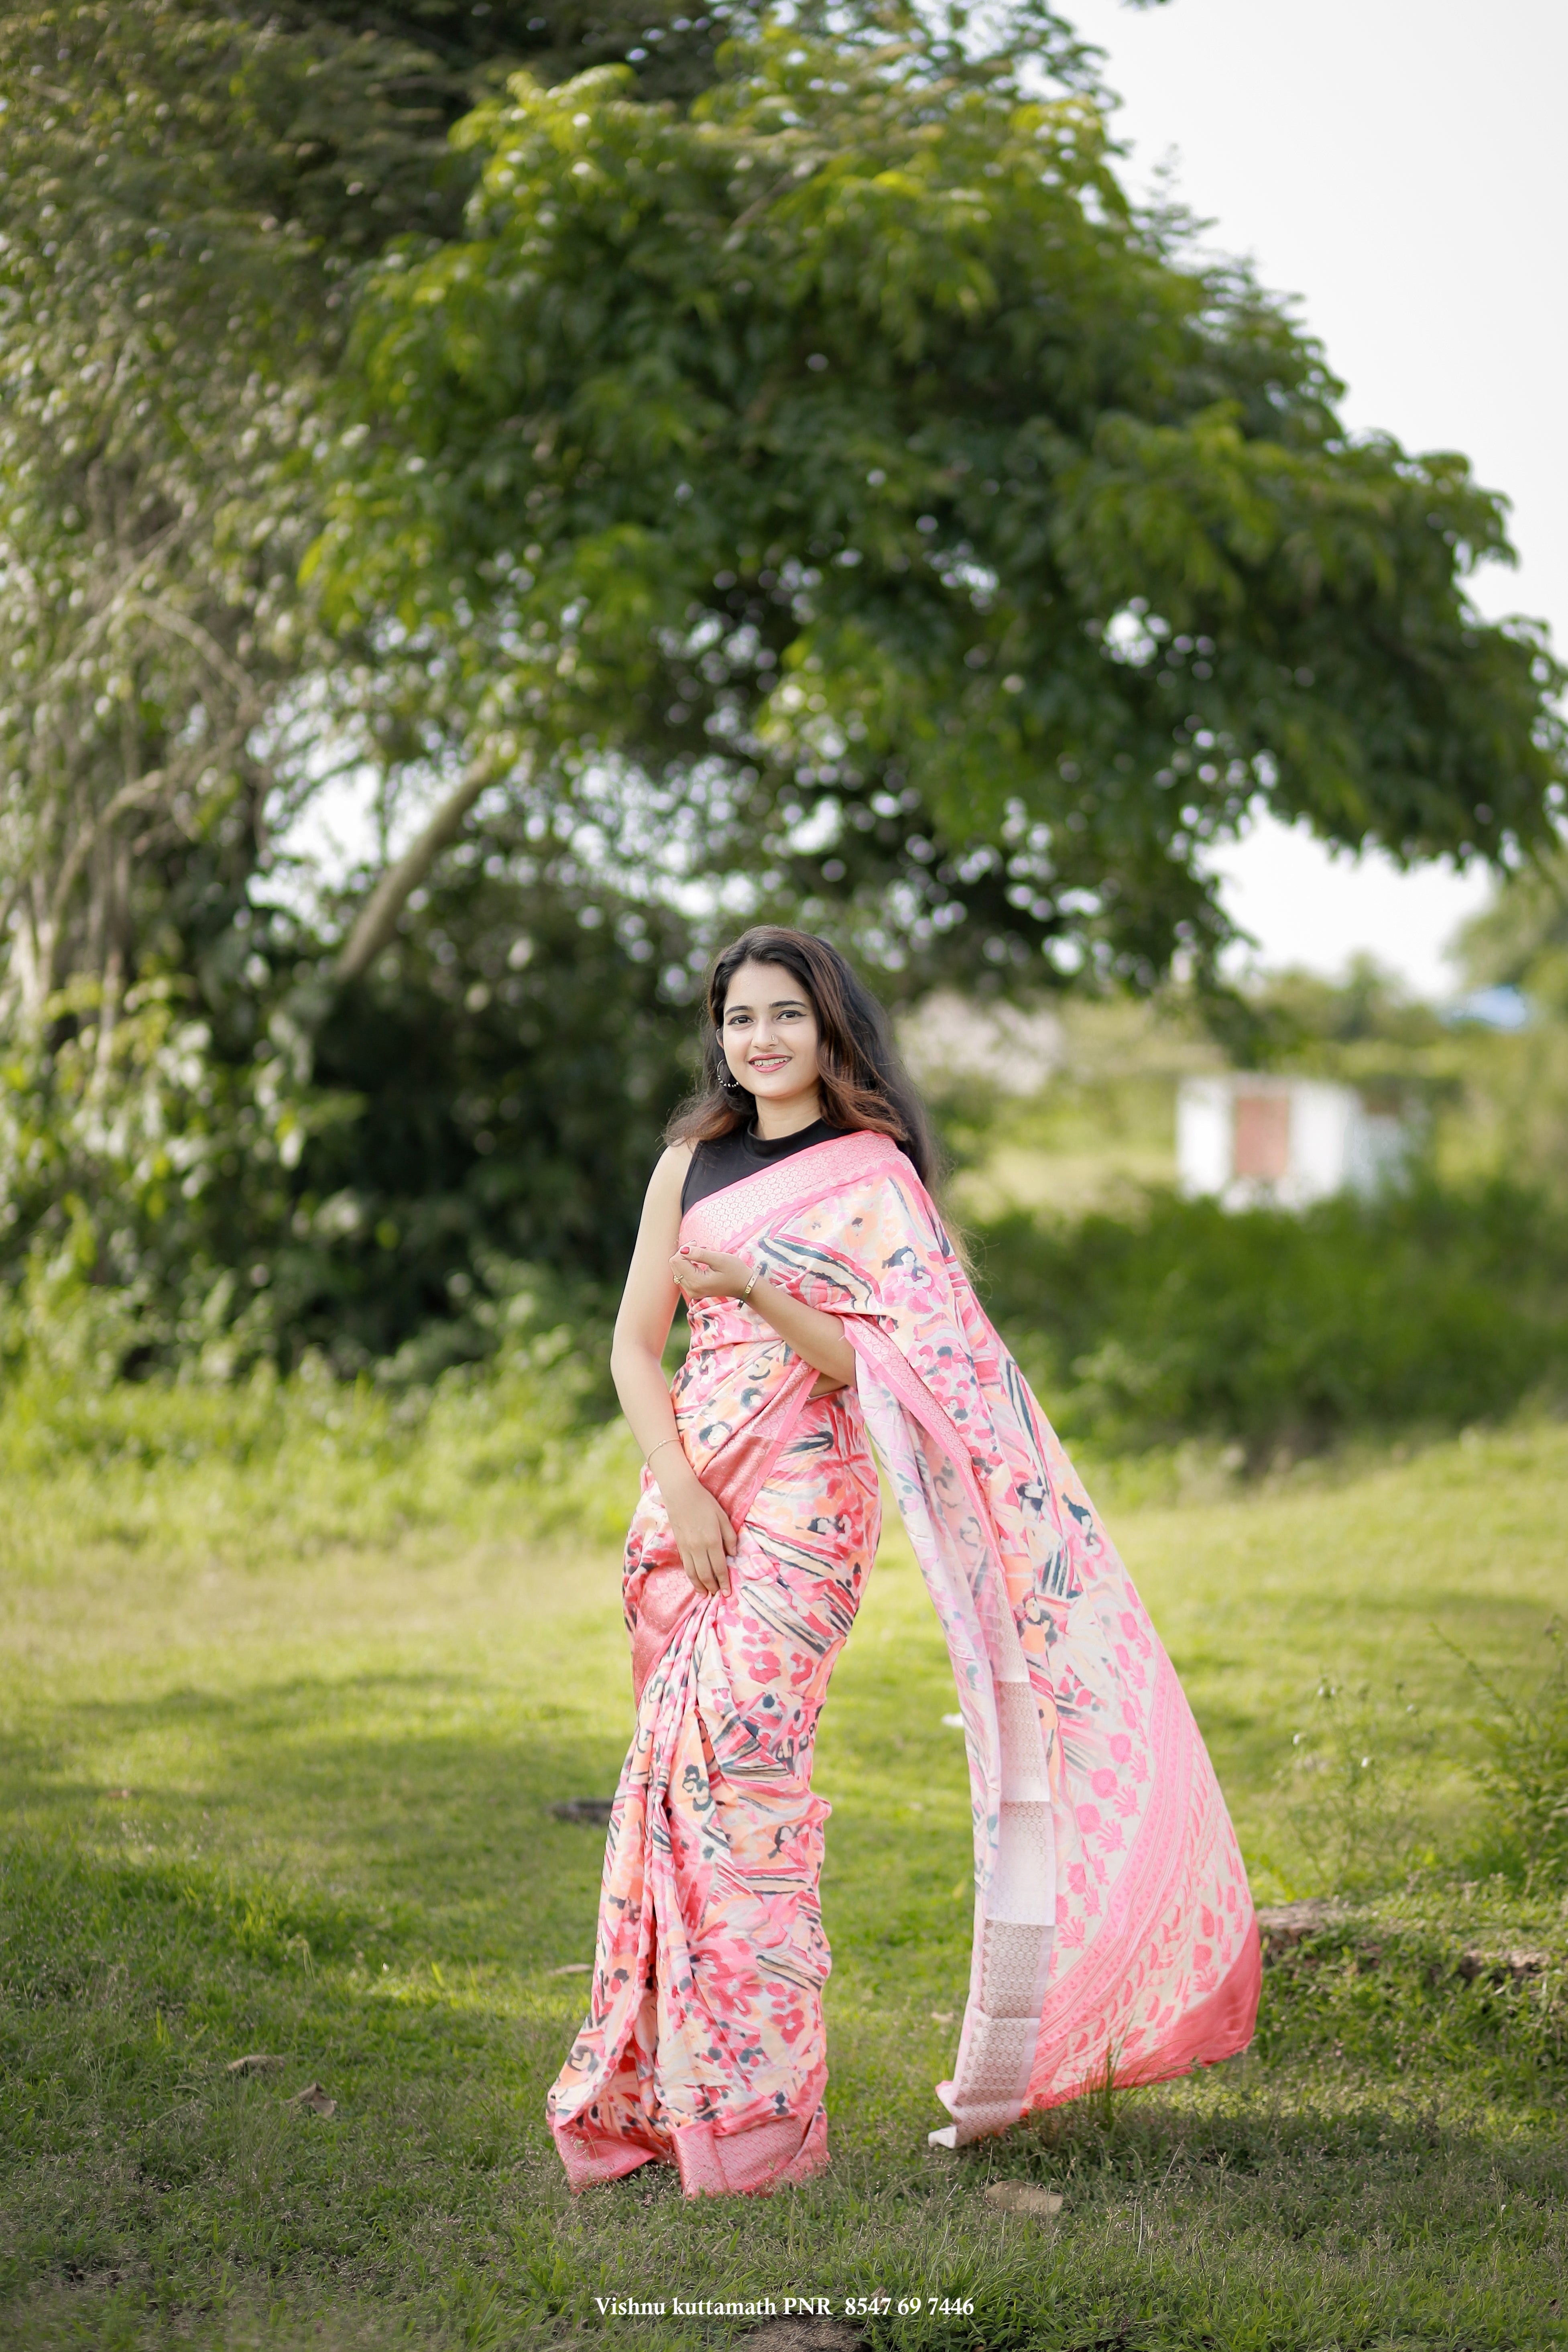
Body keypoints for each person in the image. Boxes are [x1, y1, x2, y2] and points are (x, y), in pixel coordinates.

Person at [547, 926, 1259, 2197]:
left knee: (740, 1780)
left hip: (809, 1505)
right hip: (692, 1494)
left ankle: (758, 2127)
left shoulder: (869, 1171)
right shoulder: (687, 1162)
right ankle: (671, 2102)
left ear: (829, 1029)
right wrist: (679, 1487)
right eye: (737, 1017)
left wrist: (760, 1289)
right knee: (673, 1787)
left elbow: (879, 1360)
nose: (757, 1039)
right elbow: (630, 1347)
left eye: (783, 1015)